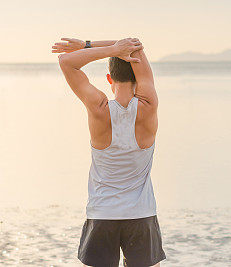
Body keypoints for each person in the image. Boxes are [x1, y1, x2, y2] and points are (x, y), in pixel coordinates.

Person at [52, 37, 166, 267]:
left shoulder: (99, 108)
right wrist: (93, 45)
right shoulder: (149, 105)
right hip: (141, 216)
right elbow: (135, 45)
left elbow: (66, 62)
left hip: (103, 214)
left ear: (108, 79)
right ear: (140, 78)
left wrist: (107, 50)